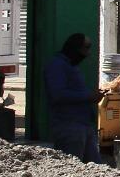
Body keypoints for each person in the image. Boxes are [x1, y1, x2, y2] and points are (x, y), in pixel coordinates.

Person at [44, 33, 114, 163]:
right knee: (73, 165)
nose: (87, 54)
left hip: (84, 124)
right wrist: (89, 96)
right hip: (68, 126)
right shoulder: (57, 66)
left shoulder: (71, 66)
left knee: (95, 167)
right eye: (85, 48)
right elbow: (58, 95)